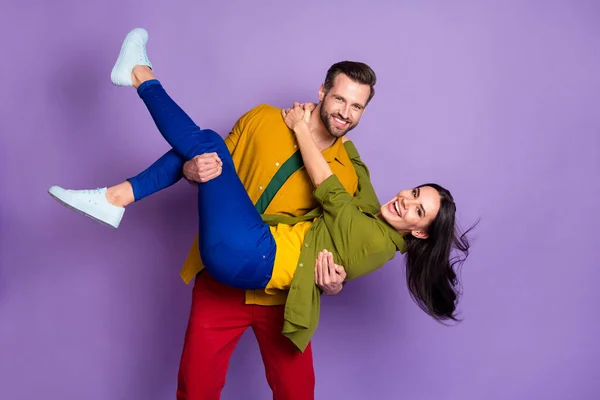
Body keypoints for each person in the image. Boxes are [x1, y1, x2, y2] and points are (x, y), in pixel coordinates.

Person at [49, 28, 473, 399]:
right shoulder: (264, 120)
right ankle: (117, 190)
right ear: (322, 91)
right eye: (340, 98)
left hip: (284, 298)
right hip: (223, 280)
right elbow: (205, 160)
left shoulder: (347, 176)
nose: (345, 112)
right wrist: (191, 171)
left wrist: (335, 282)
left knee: (295, 393)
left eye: (357, 107)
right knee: (195, 388)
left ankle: (122, 169)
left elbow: (351, 237)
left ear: (364, 113)